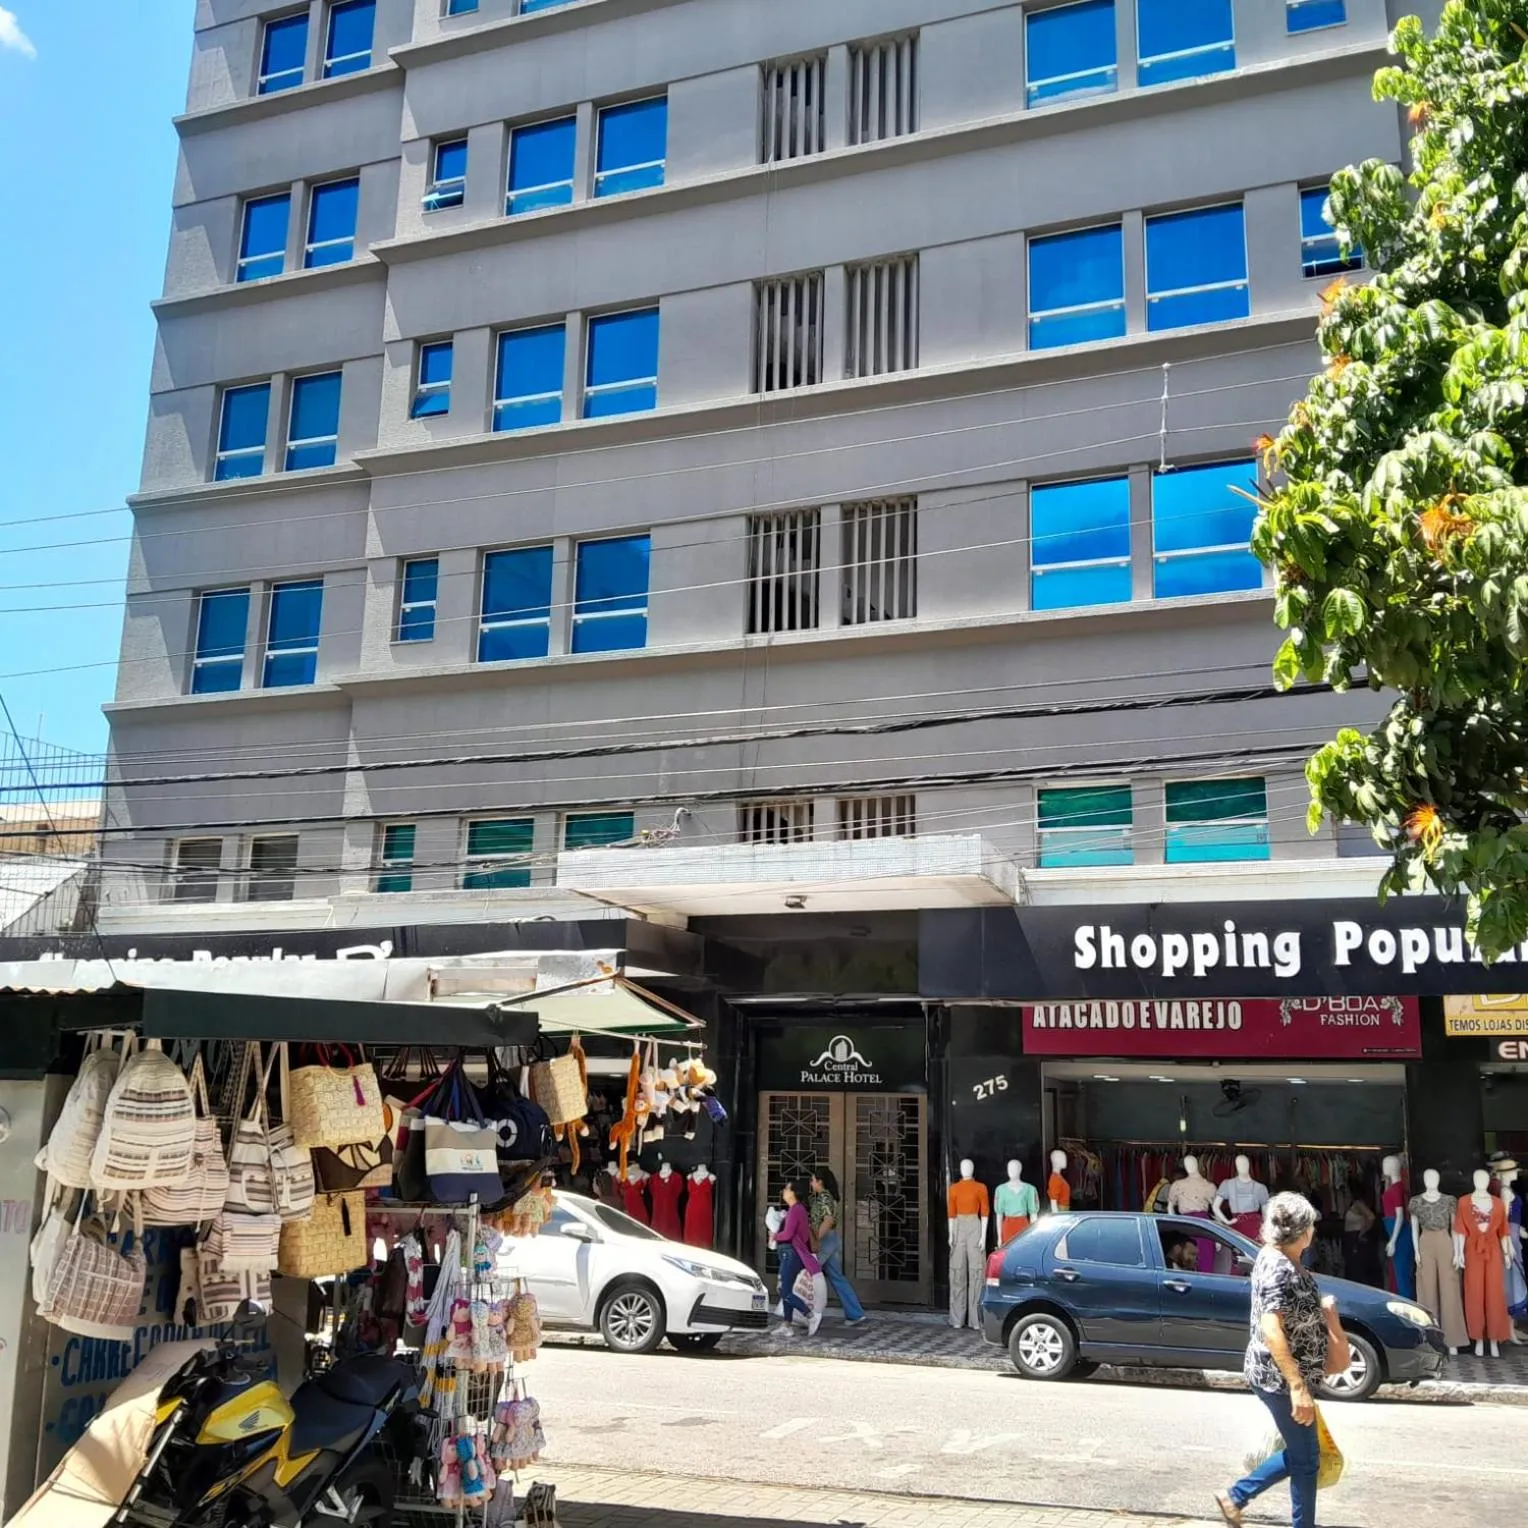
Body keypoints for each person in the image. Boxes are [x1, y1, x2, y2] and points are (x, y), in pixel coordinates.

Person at [1216, 1192, 1343, 1528]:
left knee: (1305, 1455)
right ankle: (1240, 1497)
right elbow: (1272, 1329)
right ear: (1302, 1232)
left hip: (1284, 1377)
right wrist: (1297, 1387)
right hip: (1280, 1379)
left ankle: (1237, 1496)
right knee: (1306, 1460)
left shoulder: (1279, 1258)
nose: (1313, 1231)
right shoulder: (1279, 1268)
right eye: (1311, 1226)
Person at [810, 1168, 867, 1325]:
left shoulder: (824, 1197)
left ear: (820, 1181)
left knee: (807, 1273)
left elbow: (827, 1221)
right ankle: (855, 1313)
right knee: (837, 1277)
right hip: (831, 1240)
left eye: (813, 1180)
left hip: (825, 1241)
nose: (811, 1183)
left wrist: (815, 1239)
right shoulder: (826, 1197)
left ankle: (803, 1313)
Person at [772, 1179, 823, 1336]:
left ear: (794, 1193)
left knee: (784, 1290)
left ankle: (810, 1315)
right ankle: (787, 1324)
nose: (784, 1192)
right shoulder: (795, 1210)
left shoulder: (796, 1210)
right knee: (784, 1288)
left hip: (791, 1254)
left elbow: (788, 1234)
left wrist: (774, 1235)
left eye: (787, 1189)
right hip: (790, 1254)